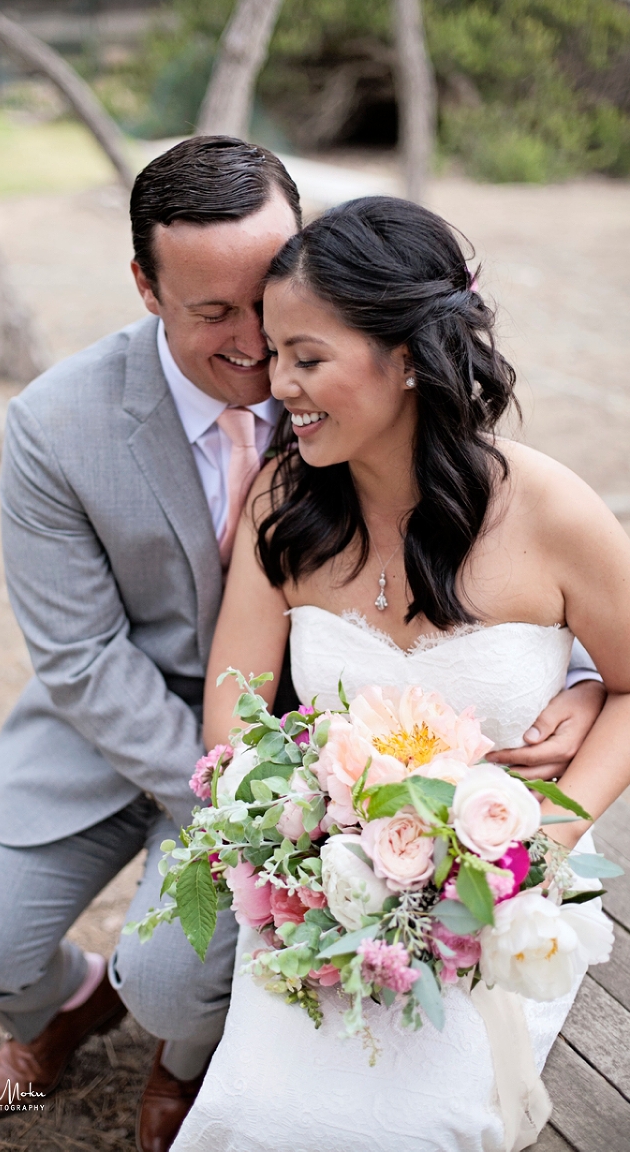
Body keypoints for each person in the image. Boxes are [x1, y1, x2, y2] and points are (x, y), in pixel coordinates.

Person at [0, 139, 601, 1152]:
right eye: (217, 314)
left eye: (278, 316)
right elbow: (82, 659)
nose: (261, 355)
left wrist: (574, 683)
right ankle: (63, 1008)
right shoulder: (58, 425)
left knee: (180, 986)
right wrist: (273, 814)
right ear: (146, 287)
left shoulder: (351, 370)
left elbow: (499, 593)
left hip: (363, 752)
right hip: (155, 730)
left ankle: (180, 1051)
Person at [170, 196, 630, 1152]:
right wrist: (307, 838)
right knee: (259, 1116)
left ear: (408, 355)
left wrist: (547, 835)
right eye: (274, 354)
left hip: (498, 903)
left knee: (423, 1125)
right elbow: (233, 712)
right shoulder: (284, 505)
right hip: (316, 891)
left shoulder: (548, 508)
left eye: (307, 356)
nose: (275, 386)